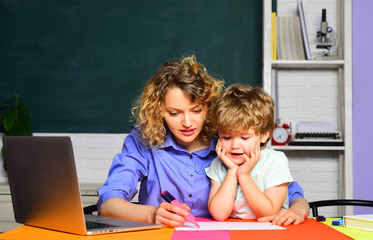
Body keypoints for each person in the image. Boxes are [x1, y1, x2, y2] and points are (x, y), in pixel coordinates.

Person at [97, 55, 309, 227]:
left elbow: (293, 193)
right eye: (174, 113)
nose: (187, 122)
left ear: (209, 107)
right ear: (158, 111)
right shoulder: (143, 140)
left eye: (196, 110)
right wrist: (152, 214)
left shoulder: (228, 140)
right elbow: (108, 203)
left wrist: (297, 211)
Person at [206, 83, 299, 222]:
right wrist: (232, 171)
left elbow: (267, 212)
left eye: (244, 138)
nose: (235, 145)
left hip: (272, 230)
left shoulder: (275, 161)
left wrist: (243, 175)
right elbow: (219, 214)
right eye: (226, 137)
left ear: (263, 136)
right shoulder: (218, 164)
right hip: (235, 231)